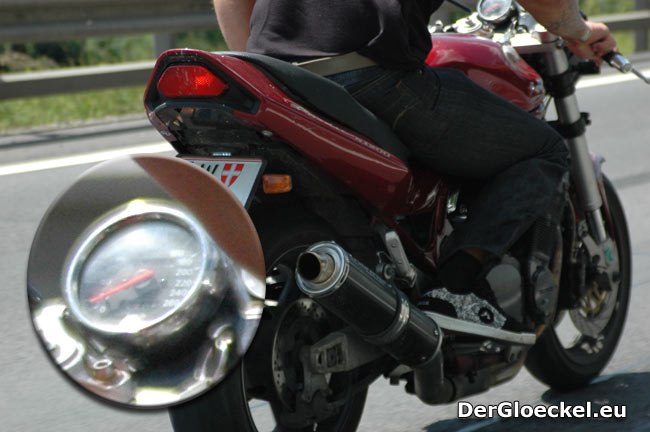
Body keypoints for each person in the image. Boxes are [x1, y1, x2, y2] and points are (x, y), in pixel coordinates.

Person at [212, 0, 617, 336]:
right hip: (368, 74)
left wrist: (266, 69)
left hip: (272, 77)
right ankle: (457, 289)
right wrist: (578, 31)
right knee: (544, 149)